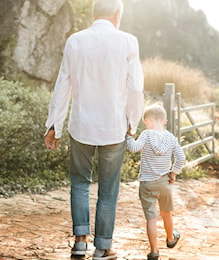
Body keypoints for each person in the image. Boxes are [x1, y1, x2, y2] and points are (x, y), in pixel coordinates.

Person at [43, 0, 144, 258]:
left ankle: (79, 242)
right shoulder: (128, 41)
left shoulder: (75, 41)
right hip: (113, 127)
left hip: (81, 126)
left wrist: (54, 124)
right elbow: (135, 89)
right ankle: (103, 247)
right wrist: (133, 122)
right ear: (117, 14)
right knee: (109, 189)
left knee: (79, 183)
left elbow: (62, 85)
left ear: (93, 14)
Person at [126, 104, 185, 260]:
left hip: (147, 183)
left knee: (151, 218)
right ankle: (171, 239)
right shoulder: (170, 138)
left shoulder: (146, 135)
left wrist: (129, 136)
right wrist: (173, 172)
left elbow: (133, 148)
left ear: (146, 121)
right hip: (165, 182)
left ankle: (154, 251)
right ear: (164, 121)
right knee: (167, 213)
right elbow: (181, 158)